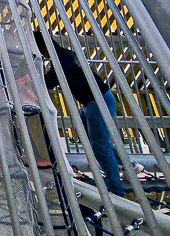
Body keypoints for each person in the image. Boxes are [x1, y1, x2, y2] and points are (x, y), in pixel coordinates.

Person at [33, 29, 125, 197]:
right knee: (97, 141)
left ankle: (116, 191)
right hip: (95, 100)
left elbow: (51, 81)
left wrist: (31, 76)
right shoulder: (64, 54)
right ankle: (123, 165)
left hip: (98, 102)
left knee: (100, 147)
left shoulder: (61, 59)